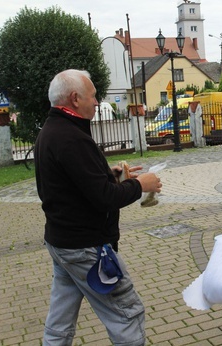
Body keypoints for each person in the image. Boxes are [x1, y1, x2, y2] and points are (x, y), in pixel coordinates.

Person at [35, 69, 162, 345]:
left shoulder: (52, 131)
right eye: (92, 96)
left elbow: (74, 184)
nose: (96, 102)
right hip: (84, 247)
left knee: (60, 322)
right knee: (127, 314)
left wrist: (112, 175)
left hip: (62, 244)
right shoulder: (71, 138)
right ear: (74, 98)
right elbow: (104, 197)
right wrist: (142, 185)